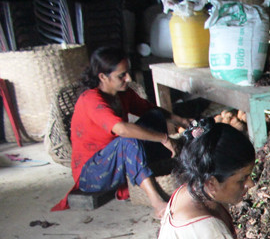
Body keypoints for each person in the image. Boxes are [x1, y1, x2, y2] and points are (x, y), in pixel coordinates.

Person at [54, 46, 192, 216]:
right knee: (128, 140)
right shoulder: (90, 100)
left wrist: (182, 120)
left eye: (127, 72)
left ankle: (162, 170)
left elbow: (149, 109)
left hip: (118, 159)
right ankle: (157, 202)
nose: (128, 78)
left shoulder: (123, 93)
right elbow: (122, 129)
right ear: (103, 77)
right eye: (122, 75)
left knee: (154, 115)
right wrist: (164, 138)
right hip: (92, 174)